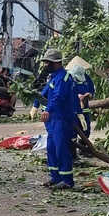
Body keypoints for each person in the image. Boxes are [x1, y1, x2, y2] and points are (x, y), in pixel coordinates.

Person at [38, 49, 78, 189]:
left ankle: (67, 180)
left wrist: (48, 110)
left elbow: (58, 97)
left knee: (61, 148)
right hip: (53, 120)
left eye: (47, 62)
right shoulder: (54, 77)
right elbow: (44, 94)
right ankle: (55, 177)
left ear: (55, 62)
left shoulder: (63, 78)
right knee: (52, 148)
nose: (45, 65)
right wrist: (35, 104)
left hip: (62, 118)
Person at [67, 56, 94, 139]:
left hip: (85, 108)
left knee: (86, 130)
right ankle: (73, 149)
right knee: (73, 131)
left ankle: (83, 146)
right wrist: (77, 96)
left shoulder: (87, 78)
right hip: (73, 109)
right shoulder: (69, 79)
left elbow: (92, 90)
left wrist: (88, 94)